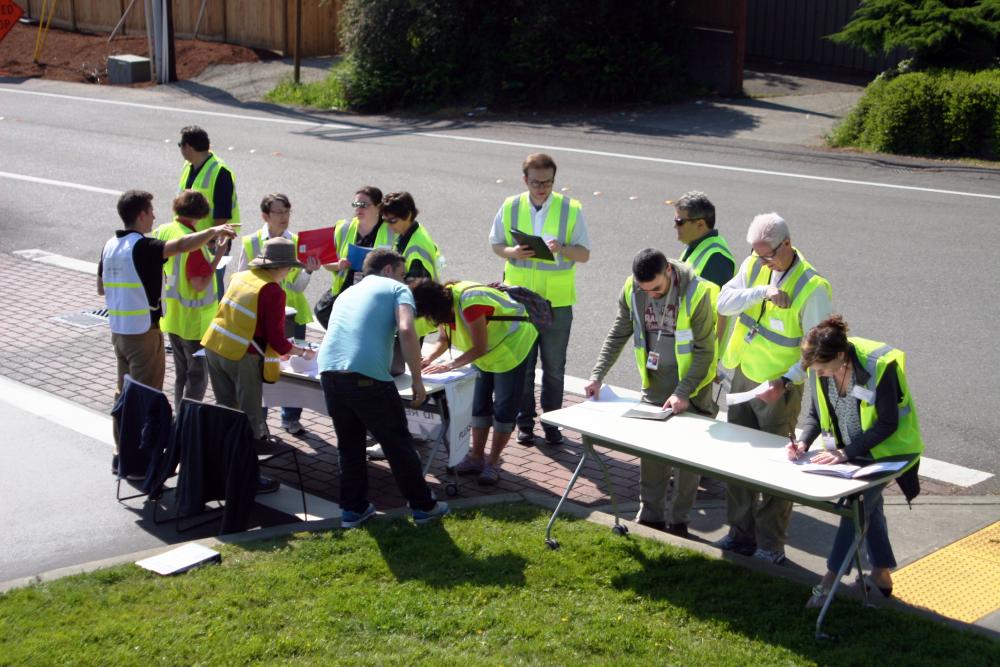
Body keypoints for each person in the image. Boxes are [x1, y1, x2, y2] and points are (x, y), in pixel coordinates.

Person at [714, 212, 833, 564]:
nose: (762, 260)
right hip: (745, 376)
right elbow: (724, 302)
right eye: (757, 253)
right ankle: (739, 534)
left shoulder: (813, 287)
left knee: (777, 467)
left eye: (769, 254)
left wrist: (785, 381)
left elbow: (817, 351)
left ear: (788, 244)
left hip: (778, 389)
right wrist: (761, 291)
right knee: (738, 461)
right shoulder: (754, 265)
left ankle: (770, 544)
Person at [787, 315, 923, 608]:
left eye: (823, 368)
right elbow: (815, 414)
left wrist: (845, 455)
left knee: (857, 502)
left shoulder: (880, 367)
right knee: (868, 507)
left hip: (889, 452)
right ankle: (881, 574)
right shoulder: (820, 365)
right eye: (815, 369)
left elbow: (888, 423)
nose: (819, 374)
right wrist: (803, 442)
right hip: (852, 452)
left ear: (840, 356)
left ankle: (827, 583)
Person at [98, 189, 235, 474]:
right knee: (147, 396)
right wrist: (213, 231)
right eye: (150, 211)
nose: (154, 216)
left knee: (122, 393)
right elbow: (182, 245)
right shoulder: (143, 247)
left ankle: (120, 452)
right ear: (140, 215)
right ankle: (142, 460)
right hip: (143, 334)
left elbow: (101, 288)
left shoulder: (110, 244)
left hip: (118, 333)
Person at [583, 249, 719, 537]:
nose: (652, 296)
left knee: (687, 459)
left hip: (692, 390)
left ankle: (679, 520)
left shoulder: (696, 293)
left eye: (656, 289)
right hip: (654, 387)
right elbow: (619, 331)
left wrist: (683, 392)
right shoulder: (633, 288)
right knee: (652, 455)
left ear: (668, 270)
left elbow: (706, 352)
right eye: (646, 290)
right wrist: (597, 375)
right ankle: (651, 517)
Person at [317, 249, 449, 527]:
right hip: (367, 377)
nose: (405, 281)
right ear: (389, 270)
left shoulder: (349, 292)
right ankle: (424, 506)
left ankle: (353, 510)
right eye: (402, 274)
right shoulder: (396, 288)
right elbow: (407, 329)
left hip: (329, 372)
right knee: (398, 443)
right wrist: (417, 379)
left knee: (349, 444)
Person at [490, 153, 591, 446]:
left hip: (556, 300)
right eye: (536, 183)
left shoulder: (570, 209)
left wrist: (562, 248)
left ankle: (552, 422)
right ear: (525, 180)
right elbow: (495, 243)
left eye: (547, 182)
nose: (542, 188)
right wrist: (512, 253)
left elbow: (584, 254)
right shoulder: (511, 205)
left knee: (554, 367)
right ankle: (525, 422)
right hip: (519, 300)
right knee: (523, 364)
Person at [411, 278, 538, 485]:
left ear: (434, 305)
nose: (429, 319)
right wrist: (429, 358)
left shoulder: (469, 303)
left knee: (504, 407)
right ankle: (476, 458)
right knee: (479, 405)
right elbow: (443, 340)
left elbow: (479, 347)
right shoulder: (443, 304)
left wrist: (450, 365)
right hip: (485, 353)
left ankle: (493, 463)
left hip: (512, 348)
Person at [202, 237, 317, 448]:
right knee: (250, 416)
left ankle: (225, 459)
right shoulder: (272, 290)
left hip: (213, 346)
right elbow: (278, 341)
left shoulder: (242, 276)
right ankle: (249, 468)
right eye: (290, 268)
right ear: (281, 267)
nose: (289, 272)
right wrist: (303, 353)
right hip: (240, 355)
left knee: (226, 410)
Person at [232, 193, 321, 435]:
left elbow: (297, 287)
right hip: (261, 320)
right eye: (278, 212)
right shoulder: (252, 242)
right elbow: (241, 279)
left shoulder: (296, 242)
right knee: (262, 371)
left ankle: (291, 418)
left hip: (292, 316)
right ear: (265, 215)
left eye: (287, 212)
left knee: (295, 369)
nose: (284, 217)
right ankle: (259, 424)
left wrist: (309, 272)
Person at [153, 190, 231, 410]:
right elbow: (200, 283)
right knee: (196, 378)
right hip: (194, 324)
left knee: (181, 375)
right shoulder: (194, 246)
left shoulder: (165, 231)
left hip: (173, 318)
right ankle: (187, 424)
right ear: (202, 214)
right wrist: (217, 256)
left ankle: (179, 417)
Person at [315, 186, 392, 329]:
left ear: (378, 207)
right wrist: (339, 265)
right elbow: (326, 262)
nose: (359, 209)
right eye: (356, 205)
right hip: (347, 285)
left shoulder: (391, 231)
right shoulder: (343, 228)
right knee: (322, 312)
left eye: (364, 205)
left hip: (374, 290)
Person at [177, 125, 240, 300]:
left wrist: (213, 241)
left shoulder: (220, 172)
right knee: (191, 287)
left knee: (212, 288)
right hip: (190, 239)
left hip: (209, 243)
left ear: (188, 147)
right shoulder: (188, 166)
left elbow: (223, 213)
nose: (180, 149)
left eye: (180, 145)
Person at [381, 191, 442, 282]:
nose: (389, 226)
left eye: (392, 220)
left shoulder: (416, 251)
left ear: (408, 215)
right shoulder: (411, 230)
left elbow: (416, 290)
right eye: (385, 220)